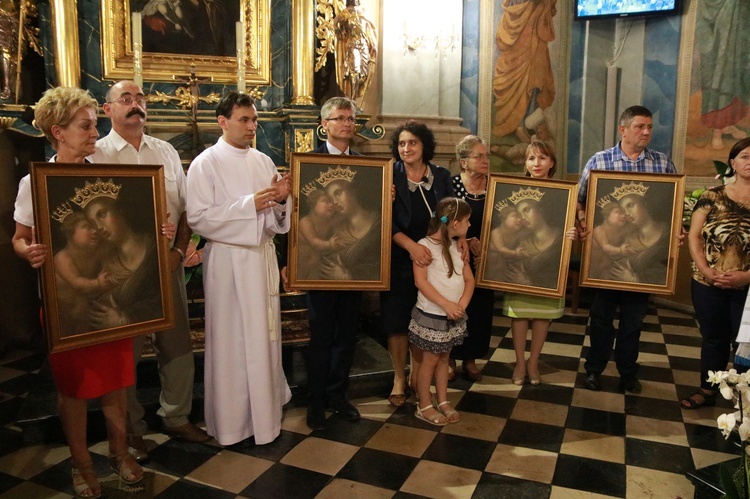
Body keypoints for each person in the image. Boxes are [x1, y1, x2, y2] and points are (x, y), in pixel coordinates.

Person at [12, 87, 143, 498]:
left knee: (117, 383)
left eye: (95, 124)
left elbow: (132, 216)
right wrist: (28, 251)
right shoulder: (32, 183)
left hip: (110, 301)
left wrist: (159, 229)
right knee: (73, 389)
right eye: (86, 126)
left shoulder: (105, 168)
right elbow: (19, 237)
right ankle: (82, 464)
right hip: (65, 305)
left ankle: (120, 454)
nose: (95, 132)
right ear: (58, 132)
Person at [91, 80, 209, 459]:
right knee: (125, 351)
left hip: (166, 264)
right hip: (121, 272)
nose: (135, 104)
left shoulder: (166, 151)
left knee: (176, 345)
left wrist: (178, 251)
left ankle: (176, 416)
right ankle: (132, 429)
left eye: (140, 98)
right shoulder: (96, 154)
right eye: (125, 99)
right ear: (107, 110)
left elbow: (187, 210)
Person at [186, 91, 292, 445]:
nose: (251, 126)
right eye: (244, 120)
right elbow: (198, 218)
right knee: (232, 341)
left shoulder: (264, 161)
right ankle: (232, 424)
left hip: (260, 258)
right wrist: (252, 203)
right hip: (228, 262)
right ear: (222, 121)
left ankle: (265, 418)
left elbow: (278, 221)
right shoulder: (205, 163)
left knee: (265, 336)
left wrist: (280, 201)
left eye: (254, 120)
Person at [577, 105, 677, 394]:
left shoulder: (662, 163)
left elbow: (670, 208)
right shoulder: (600, 161)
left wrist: (675, 234)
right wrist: (585, 225)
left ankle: (628, 373)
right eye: (639, 127)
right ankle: (594, 370)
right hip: (604, 262)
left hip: (643, 262)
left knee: (634, 322)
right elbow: (581, 201)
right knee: (601, 319)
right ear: (623, 130)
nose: (646, 132)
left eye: (649, 127)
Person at [292, 96, 365, 430]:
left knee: (347, 336)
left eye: (351, 118)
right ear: (324, 125)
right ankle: (316, 401)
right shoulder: (308, 163)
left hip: (356, 268)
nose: (347, 123)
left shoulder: (367, 169)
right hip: (316, 266)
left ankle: (338, 395)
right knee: (320, 337)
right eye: (340, 118)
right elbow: (294, 217)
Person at [382, 121, 455, 407]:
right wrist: (411, 246)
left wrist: (441, 237)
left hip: (433, 259)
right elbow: (383, 220)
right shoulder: (389, 174)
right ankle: (400, 377)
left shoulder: (442, 175)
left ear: (424, 146)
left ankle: (421, 374)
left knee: (429, 319)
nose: (406, 148)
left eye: (412, 142)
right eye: (401, 143)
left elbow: (449, 213)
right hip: (400, 256)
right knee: (397, 321)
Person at [681, 137, 750, 409]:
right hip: (707, 282)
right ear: (732, 163)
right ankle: (708, 389)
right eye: (745, 156)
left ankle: (744, 397)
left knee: (745, 342)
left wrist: (747, 277)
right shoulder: (711, 196)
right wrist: (707, 271)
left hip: (747, 285)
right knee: (713, 338)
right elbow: (694, 237)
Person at [505, 141, 576, 385]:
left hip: (550, 265)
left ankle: (534, 362)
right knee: (520, 315)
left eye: (542, 158)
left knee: (542, 316)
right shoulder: (511, 190)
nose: (537, 163)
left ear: (552, 162)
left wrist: (570, 234)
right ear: (525, 163)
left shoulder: (564, 193)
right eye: (531, 159)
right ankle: (520, 363)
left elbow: (567, 226)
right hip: (519, 261)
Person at [410, 197, 474, 426]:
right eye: (467, 221)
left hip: (454, 314)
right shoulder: (424, 246)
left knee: (445, 358)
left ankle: (443, 400)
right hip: (432, 315)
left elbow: (469, 280)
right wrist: (446, 305)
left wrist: (461, 306)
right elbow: (421, 282)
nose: (469, 226)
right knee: (429, 360)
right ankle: (424, 404)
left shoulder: (458, 246)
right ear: (455, 223)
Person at [448, 135, 494, 382]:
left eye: (487, 156)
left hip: (486, 259)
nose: (485, 160)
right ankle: (450, 357)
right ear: (464, 162)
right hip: (455, 256)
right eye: (479, 156)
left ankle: (471, 359)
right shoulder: (451, 184)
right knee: (456, 307)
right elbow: (442, 219)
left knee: (481, 310)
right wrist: (461, 238)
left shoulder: (496, 186)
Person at [53, 211, 113, 336]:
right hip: (64, 316)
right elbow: (77, 283)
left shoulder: (93, 253)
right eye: (87, 227)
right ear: (70, 233)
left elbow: (111, 247)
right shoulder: (62, 257)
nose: (94, 231)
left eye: (95, 228)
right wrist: (98, 283)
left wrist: (108, 235)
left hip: (85, 314)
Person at [333, 0, 378, 107]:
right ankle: (352, 99)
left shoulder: (364, 13)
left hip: (363, 44)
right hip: (352, 44)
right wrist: (337, 29)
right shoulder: (345, 13)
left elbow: (369, 29)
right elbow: (336, 22)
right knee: (355, 70)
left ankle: (354, 95)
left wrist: (373, 44)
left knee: (364, 73)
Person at [589, 198, 633, 280]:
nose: (623, 216)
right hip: (593, 271)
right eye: (618, 212)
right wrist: (620, 250)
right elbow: (606, 247)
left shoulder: (621, 231)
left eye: (623, 213)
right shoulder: (599, 230)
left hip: (608, 270)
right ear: (606, 215)